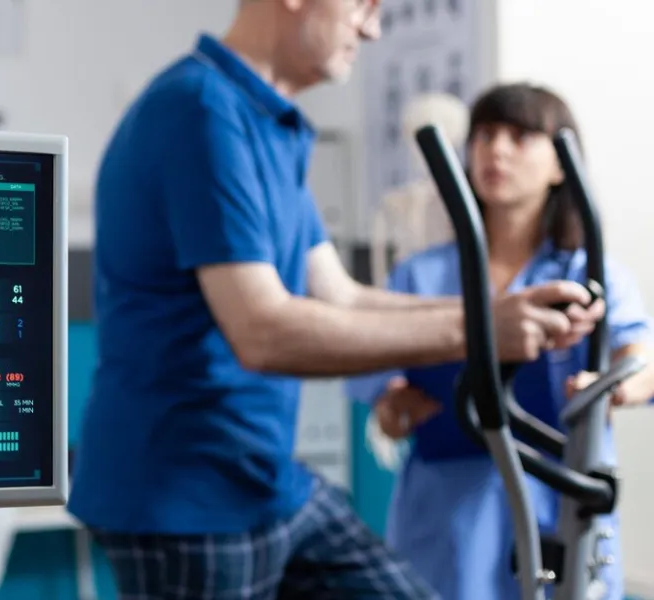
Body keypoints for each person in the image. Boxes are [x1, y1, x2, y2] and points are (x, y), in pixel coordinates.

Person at [65, 0, 607, 597]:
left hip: (265, 477)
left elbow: (340, 296)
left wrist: (499, 315)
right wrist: (481, 331)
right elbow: (262, 332)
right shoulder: (199, 112)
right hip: (185, 490)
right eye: (364, 5)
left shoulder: (268, 123)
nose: (372, 29)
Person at [345, 83, 654, 600]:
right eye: (485, 135)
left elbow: (640, 358)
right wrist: (394, 407)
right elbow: (378, 386)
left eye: (520, 136)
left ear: (561, 164)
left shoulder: (590, 272)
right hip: (449, 510)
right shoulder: (420, 274)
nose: (496, 150)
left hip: (560, 496)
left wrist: (611, 387)